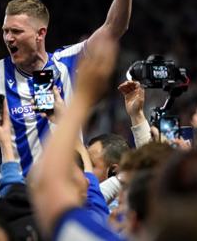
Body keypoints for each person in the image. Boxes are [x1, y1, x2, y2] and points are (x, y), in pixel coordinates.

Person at [0, 0, 134, 175]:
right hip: (18, 196)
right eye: (6, 31)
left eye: (16, 31)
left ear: (41, 33)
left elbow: (114, 28)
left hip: (70, 190)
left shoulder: (67, 62)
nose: (8, 38)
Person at [31, 34, 121, 240]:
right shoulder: (98, 212)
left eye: (70, 177)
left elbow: (48, 188)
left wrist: (82, 96)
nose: (84, 173)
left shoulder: (88, 227)